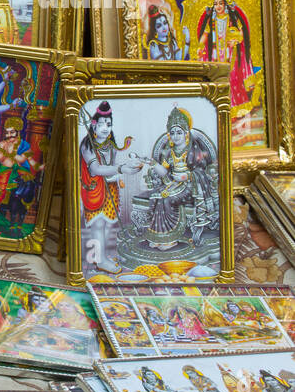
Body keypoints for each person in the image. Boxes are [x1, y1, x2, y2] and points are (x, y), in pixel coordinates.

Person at [137, 106, 219, 251]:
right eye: (172, 133)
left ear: (186, 134)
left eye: (179, 132)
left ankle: (170, 238)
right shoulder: (169, 153)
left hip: (191, 188)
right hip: (173, 184)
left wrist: (186, 176)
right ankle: (159, 236)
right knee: (157, 196)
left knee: (166, 199)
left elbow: (202, 172)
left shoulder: (193, 152)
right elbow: (164, 173)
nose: (176, 136)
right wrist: (152, 163)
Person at [78, 101, 143, 274]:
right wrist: (121, 169)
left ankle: (101, 256)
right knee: (97, 225)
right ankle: (98, 260)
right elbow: (96, 169)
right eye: (101, 125)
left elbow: (111, 167)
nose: (105, 128)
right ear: (93, 126)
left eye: (108, 124)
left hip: (110, 188)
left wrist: (120, 175)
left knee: (107, 225)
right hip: (94, 189)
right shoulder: (87, 146)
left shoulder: (110, 145)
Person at [194, 0, 254, 112]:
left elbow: (241, 33)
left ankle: (236, 107)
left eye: (220, 3)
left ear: (225, 5)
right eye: (215, 4)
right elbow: (205, 36)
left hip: (231, 53)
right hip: (215, 54)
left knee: (233, 78)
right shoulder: (211, 21)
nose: (218, 6)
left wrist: (235, 41)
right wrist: (199, 47)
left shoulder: (232, 19)